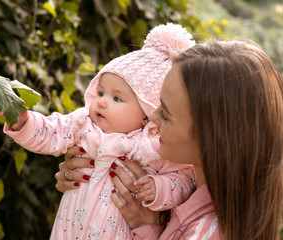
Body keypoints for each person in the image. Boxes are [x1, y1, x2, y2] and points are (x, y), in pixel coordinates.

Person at [56, 40, 283, 239]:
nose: (151, 117)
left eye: (166, 113)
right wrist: (90, 187)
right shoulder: (186, 194)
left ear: (209, 139)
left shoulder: (203, 232)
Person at [0, 23, 196, 239]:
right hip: (68, 229)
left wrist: (159, 188)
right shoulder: (83, 124)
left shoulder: (152, 147)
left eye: (116, 98)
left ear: (147, 113)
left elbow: (183, 178)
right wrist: (24, 122)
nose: (101, 102)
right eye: (100, 92)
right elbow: (51, 131)